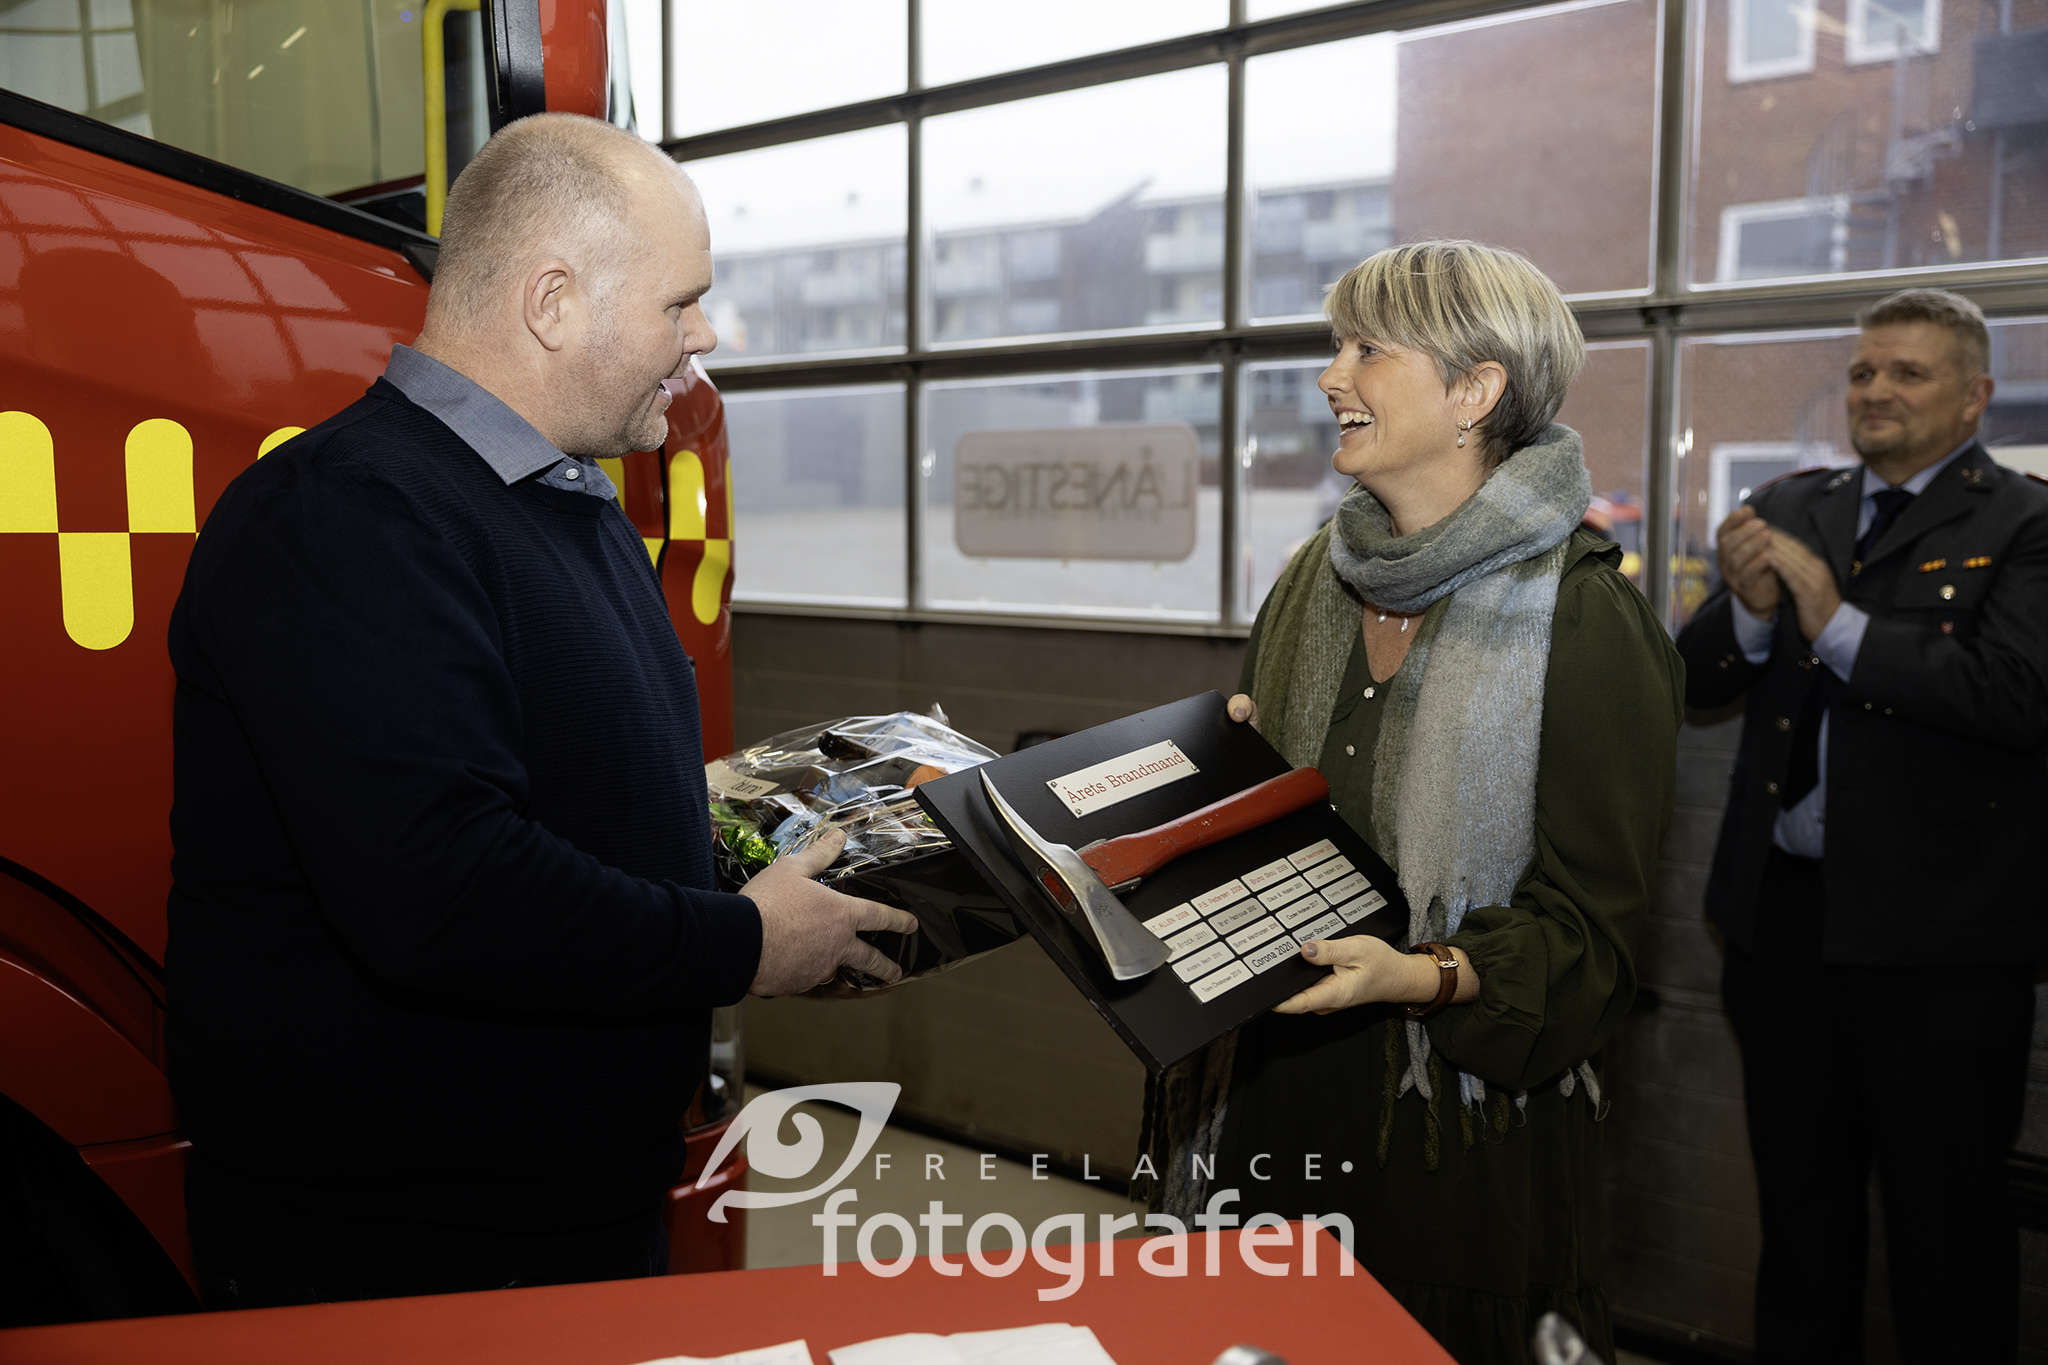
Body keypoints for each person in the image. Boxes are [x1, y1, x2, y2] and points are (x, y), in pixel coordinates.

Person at [166, 114, 916, 1307]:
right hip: (408, 1254)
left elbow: (564, 795)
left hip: (564, 1207)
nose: (702, 336)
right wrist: (744, 943)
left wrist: (749, 855)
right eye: (679, 303)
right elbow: (442, 886)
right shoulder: (348, 517)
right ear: (552, 302)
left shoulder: (561, 507)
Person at [1141, 240, 1683, 1364]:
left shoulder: (1583, 619)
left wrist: (1425, 975)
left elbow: (1592, 945)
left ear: (1474, 391)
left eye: (1367, 350)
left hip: (1462, 1140)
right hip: (1269, 1104)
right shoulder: (1309, 581)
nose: (1332, 375)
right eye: (1335, 345)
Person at [1675, 288, 2048, 1362]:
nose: (1875, 391)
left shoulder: (2023, 524)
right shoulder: (1796, 505)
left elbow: (2015, 696)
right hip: (1782, 929)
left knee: (1946, 1236)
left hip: (1938, 948)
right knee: (1798, 1222)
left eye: (1907, 373)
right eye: (1860, 373)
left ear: (1973, 397)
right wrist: (1748, 607)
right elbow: (1691, 679)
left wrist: (1830, 621)